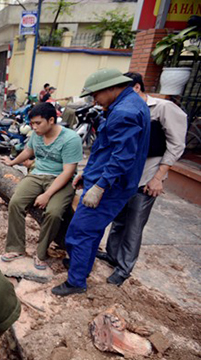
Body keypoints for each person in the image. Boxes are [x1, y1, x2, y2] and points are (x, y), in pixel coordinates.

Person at [51, 68, 150, 297]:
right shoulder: (130, 103)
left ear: (112, 88)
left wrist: (99, 186)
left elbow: (122, 157)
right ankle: (81, 266)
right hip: (109, 179)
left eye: (96, 94)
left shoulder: (125, 112)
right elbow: (108, 149)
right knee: (92, 231)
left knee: (79, 232)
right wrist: (88, 174)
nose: (94, 100)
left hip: (111, 186)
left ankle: (76, 282)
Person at [96, 72, 187, 286]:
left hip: (147, 174)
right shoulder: (123, 109)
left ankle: (124, 267)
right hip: (125, 176)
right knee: (119, 219)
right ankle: (112, 254)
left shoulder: (163, 109)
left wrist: (158, 177)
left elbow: (176, 145)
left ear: (136, 88)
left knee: (134, 224)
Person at [1, 102, 83, 270]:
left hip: (61, 179)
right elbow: (28, 152)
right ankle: (16, 247)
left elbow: (68, 172)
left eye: (38, 123)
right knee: (16, 202)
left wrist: (47, 195)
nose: (34, 127)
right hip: (38, 175)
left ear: (51, 120)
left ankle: (41, 252)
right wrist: (12, 162)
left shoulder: (70, 139)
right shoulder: (36, 135)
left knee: (53, 213)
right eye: (32, 123)